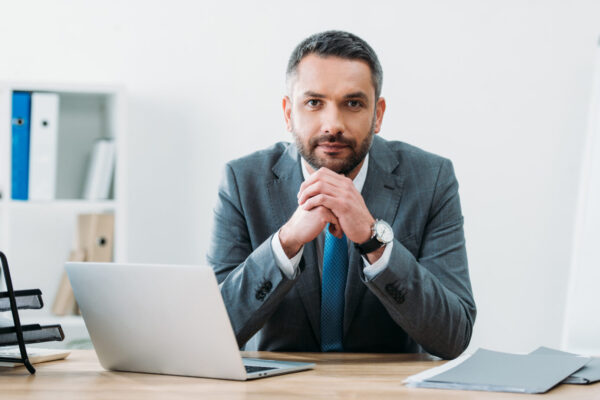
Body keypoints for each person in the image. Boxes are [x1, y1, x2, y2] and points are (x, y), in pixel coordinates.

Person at [207, 30, 476, 359]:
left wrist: (374, 241)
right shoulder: (241, 181)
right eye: (314, 103)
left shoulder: (431, 179)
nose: (332, 124)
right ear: (288, 112)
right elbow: (209, 334)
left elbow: (453, 337)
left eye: (352, 103)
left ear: (377, 114)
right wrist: (286, 243)